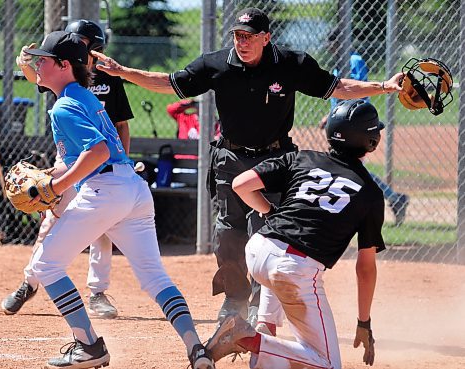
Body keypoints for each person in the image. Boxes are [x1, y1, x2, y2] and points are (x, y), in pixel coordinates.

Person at [91, 7, 403, 327]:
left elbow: (338, 88)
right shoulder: (217, 64)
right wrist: (123, 71)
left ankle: (259, 302)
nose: (242, 43)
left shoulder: (291, 64)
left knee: (266, 232)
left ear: (266, 38)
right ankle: (235, 299)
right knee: (228, 231)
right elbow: (169, 83)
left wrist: (383, 86)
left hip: (276, 160)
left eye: (249, 37)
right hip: (231, 158)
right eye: (238, 36)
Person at [18, 30, 213, 369]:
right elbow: (88, 153)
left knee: (45, 265)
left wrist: (56, 186)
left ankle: (89, 347)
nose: (38, 66)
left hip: (105, 190)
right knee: (154, 277)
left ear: (64, 65)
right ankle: (196, 349)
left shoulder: (64, 106)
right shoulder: (84, 95)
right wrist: (52, 175)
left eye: (44, 61)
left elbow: (98, 151)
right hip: (132, 189)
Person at [206, 99, 385, 369]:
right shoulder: (370, 192)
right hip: (294, 267)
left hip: (260, 247)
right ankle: (249, 339)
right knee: (326, 363)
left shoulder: (302, 158)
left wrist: (269, 212)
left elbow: (240, 184)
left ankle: (263, 335)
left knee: (275, 280)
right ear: (371, 141)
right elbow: (366, 268)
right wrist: (363, 321)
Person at [0, 20, 133, 319]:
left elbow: (120, 125)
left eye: (84, 42)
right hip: (71, 164)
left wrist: (121, 160)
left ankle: (97, 292)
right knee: (49, 222)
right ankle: (29, 282)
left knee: (104, 232)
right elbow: (37, 80)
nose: (79, 46)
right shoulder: (64, 75)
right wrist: (27, 62)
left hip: (101, 165)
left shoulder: (109, 78)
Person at [320, 28, 409, 226]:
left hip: (352, 124)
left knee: (350, 166)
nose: (332, 48)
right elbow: (340, 92)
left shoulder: (354, 60)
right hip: (340, 121)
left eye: (334, 44)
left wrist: (350, 118)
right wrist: (331, 116)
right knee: (348, 166)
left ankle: (392, 198)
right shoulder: (341, 61)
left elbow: (361, 92)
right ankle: (393, 198)